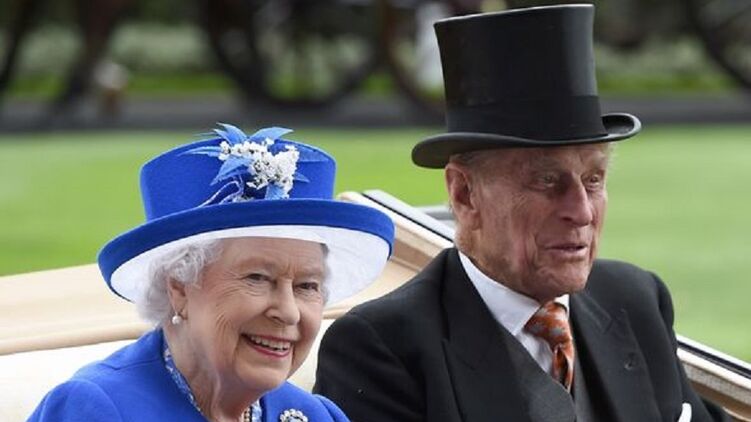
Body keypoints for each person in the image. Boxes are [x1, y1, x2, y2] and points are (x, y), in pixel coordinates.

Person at [314, 5, 728, 422]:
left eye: (593, 180)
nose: (581, 212)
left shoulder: (634, 301)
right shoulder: (383, 348)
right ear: (464, 194)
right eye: (547, 181)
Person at [28, 123, 395, 422]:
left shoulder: (315, 416)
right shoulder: (97, 409)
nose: (288, 312)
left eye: (307, 286)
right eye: (257, 278)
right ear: (179, 287)